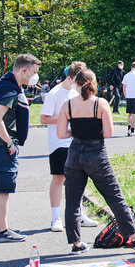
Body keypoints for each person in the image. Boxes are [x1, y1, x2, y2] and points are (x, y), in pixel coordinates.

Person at [57, 68, 135, 254]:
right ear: (94, 84)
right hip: (96, 153)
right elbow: (108, 132)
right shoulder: (100, 103)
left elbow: (61, 133)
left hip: (74, 154)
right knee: (114, 196)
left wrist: (77, 131)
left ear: (76, 84)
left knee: (73, 200)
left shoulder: (68, 105)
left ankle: (76, 243)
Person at [0, 54, 42, 242]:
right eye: (33, 72)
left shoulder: (6, 85)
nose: (34, 77)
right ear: (24, 70)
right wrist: (9, 143)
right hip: (1, 145)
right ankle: (2, 231)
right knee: (2, 188)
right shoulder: (9, 91)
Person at [39, 61, 99, 232]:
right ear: (70, 77)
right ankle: (55, 217)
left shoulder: (77, 92)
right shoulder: (55, 93)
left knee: (79, 179)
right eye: (78, 80)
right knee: (59, 178)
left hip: (77, 141)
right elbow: (44, 118)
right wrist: (66, 117)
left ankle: (79, 215)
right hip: (59, 143)